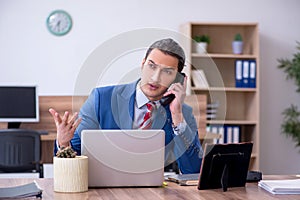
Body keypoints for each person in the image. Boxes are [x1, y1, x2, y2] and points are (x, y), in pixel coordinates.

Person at [49, 38, 203, 174]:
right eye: (152, 66)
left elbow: (193, 170)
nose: (155, 78)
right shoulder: (102, 99)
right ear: (142, 64)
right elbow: (73, 156)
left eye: (167, 72)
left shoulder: (182, 113)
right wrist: (63, 143)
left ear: (177, 78)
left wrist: (177, 116)